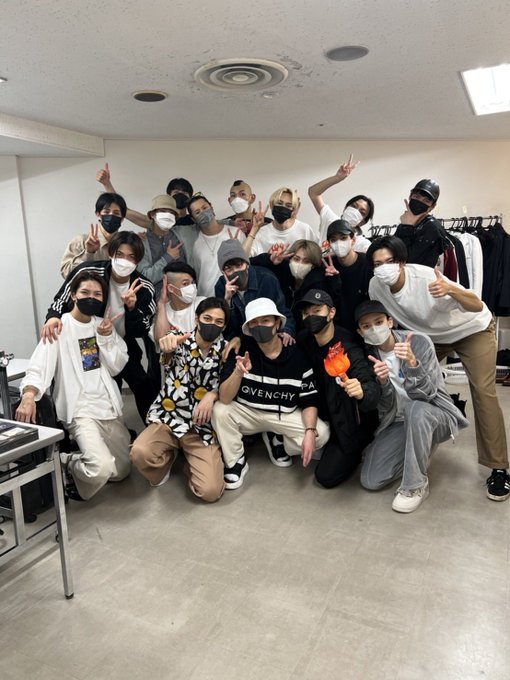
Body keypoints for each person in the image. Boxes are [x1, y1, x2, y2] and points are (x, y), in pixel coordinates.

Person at [366, 235, 509, 501]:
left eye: (390, 261)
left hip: (471, 329)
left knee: (483, 390)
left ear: (402, 262)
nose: (384, 268)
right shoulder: (376, 286)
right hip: (430, 337)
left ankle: (498, 468)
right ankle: (428, 430)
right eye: (377, 263)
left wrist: (451, 290)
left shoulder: (426, 278)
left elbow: (476, 304)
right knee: (414, 379)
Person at [16, 271, 131, 501]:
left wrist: (106, 338)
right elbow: (40, 365)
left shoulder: (102, 325)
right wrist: (28, 396)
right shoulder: (59, 327)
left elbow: (116, 367)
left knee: (121, 471)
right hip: (80, 410)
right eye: (85, 292)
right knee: (101, 469)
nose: (91, 298)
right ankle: (67, 463)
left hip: (107, 406)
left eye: (97, 294)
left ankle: (87, 456)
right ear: (73, 295)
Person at [355, 300, 469, 513]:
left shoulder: (417, 342)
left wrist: (412, 364)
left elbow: (428, 395)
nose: (374, 329)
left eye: (379, 322)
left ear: (390, 322)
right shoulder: (367, 358)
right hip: (398, 421)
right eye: (367, 326)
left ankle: (415, 485)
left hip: (434, 413)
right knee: (371, 480)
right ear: (360, 332)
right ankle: (418, 448)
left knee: (414, 408)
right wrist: (383, 383)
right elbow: (384, 408)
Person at [212, 298, 330, 489]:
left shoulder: (298, 355)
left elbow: (309, 401)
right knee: (219, 410)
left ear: (277, 323)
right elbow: (225, 398)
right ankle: (235, 461)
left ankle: (278, 440)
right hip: (248, 413)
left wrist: (310, 431)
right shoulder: (239, 349)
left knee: (320, 434)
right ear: (249, 328)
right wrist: (238, 373)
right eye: (254, 323)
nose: (260, 326)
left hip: (283, 415)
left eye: (266, 321)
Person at [41, 231, 158, 423]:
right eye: (119, 254)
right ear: (111, 254)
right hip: (88, 341)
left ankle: (155, 428)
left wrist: (132, 308)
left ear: (138, 261)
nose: (124, 261)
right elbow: (63, 297)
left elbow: (141, 330)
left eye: (131, 257)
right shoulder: (90, 272)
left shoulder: (144, 288)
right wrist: (53, 317)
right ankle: (86, 429)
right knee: (101, 383)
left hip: (121, 341)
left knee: (142, 383)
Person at [130, 298, 230, 502]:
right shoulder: (179, 339)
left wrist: (213, 394)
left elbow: (229, 387)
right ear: (197, 319)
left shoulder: (227, 351)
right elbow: (166, 349)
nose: (212, 324)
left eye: (219, 322)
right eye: (207, 318)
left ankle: (191, 464)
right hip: (170, 417)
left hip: (202, 427)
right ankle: (165, 462)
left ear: (224, 326)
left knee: (210, 491)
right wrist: (167, 345)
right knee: (140, 453)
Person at [296, 290, 380, 488]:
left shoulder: (348, 345)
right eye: (306, 313)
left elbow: (370, 388)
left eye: (317, 310)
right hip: (319, 410)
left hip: (348, 421)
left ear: (331, 312)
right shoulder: (303, 340)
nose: (311, 317)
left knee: (326, 476)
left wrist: (362, 392)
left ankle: (361, 448)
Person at [214, 239, 295, 342]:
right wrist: (227, 301)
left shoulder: (267, 279)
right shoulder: (221, 286)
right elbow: (226, 326)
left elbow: (282, 310)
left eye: (239, 265)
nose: (235, 271)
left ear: (247, 264)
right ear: (223, 272)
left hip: (268, 335)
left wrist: (286, 331)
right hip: (241, 340)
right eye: (229, 269)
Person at [251, 239, 338, 329]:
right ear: (290, 259)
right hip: (277, 326)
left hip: (304, 330)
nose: (300, 264)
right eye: (296, 259)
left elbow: (333, 303)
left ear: (313, 265)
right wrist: (269, 259)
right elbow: (249, 264)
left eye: (306, 261)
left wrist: (333, 279)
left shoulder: (318, 282)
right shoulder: (282, 269)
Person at [308, 154, 374, 252]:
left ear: (362, 222)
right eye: (353, 206)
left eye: (362, 212)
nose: (355, 211)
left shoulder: (361, 244)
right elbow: (313, 192)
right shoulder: (330, 220)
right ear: (345, 208)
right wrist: (337, 178)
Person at [187, 193, 246, 296]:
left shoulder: (235, 233)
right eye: (197, 212)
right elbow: (197, 274)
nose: (203, 213)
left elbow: (248, 265)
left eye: (205, 208)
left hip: (236, 296)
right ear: (193, 219)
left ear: (211, 207)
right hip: (206, 299)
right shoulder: (195, 244)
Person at [60, 192, 127, 278]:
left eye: (116, 213)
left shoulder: (126, 245)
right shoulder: (81, 241)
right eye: (106, 212)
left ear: (122, 218)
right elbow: (66, 273)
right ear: (98, 214)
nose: (111, 216)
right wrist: (88, 253)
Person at [321, 219, 372, 333]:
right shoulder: (327, 266)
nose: (339, 243)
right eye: (333, 240)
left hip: (366, 324)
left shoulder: (367, 263)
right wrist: (333, 280)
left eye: (343, 238)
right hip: (339, 329)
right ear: (329, 244)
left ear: (353, 240)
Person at [246, 187, 316, 256]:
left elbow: (317, 254)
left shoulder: (304, 229)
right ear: (271, 205)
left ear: (293, 210)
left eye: (288, 206)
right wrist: (254, 229)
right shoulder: (262, 232)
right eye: (279, 203)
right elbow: (244, 258)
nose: (283, 208)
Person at [394, 179, 448, 268]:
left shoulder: (433, 228)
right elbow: (393, 252)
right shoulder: (406, 221)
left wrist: (407, 227)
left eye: (426, 201)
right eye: (416, 197)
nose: (419, 202)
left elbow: (409, 262)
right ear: (410, 197)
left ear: (432, 206)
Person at [137, 194, 184, 294]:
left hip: (182, 296)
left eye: (171, 212)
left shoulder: (180, 235)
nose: (168, 215)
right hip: (154, 298)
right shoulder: (142, 241)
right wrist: (167, 258)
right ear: (152, 214)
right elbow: (145, 277)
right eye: (163, 211)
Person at [153, 263, 205, 343]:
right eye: (185, 284)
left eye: (192, 283)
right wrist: (161, 304)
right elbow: (161, 340)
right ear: (171, 288)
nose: (192, 287)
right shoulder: (163, 311)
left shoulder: (204, 303)